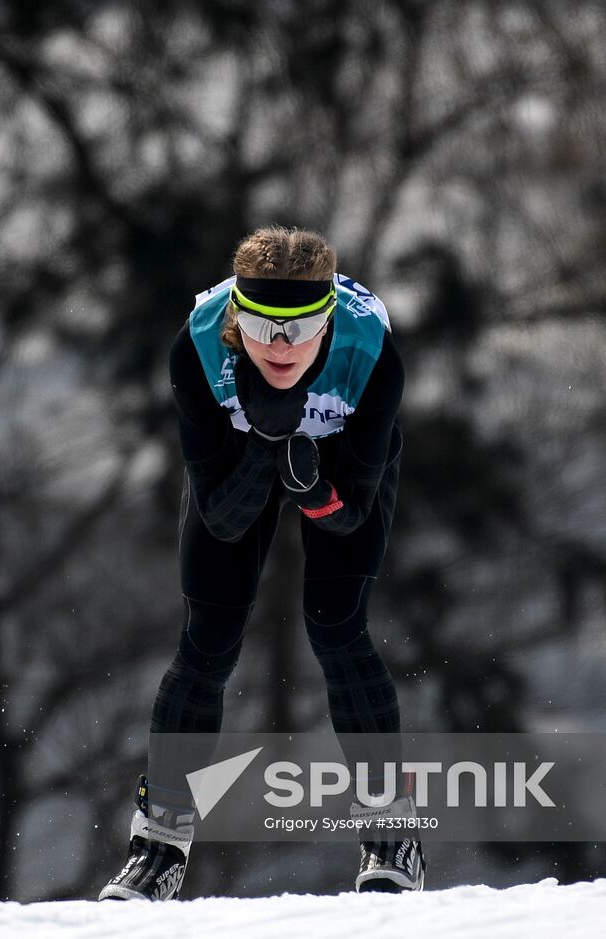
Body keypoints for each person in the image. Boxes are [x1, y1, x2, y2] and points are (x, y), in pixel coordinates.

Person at [99, 226, 422, 900]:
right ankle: (158, 848)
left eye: (299, 329)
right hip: (241, 452)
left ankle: (392, 833)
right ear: (235, 319)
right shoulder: (197, 347)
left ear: (327, 322)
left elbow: (352, 515)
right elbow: (221, 516)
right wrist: (265, 443)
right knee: (208, 637)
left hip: (339, 462)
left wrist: (312, 485)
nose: (280, 346)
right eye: (261, 327)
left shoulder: (371, 354)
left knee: (336, 624)